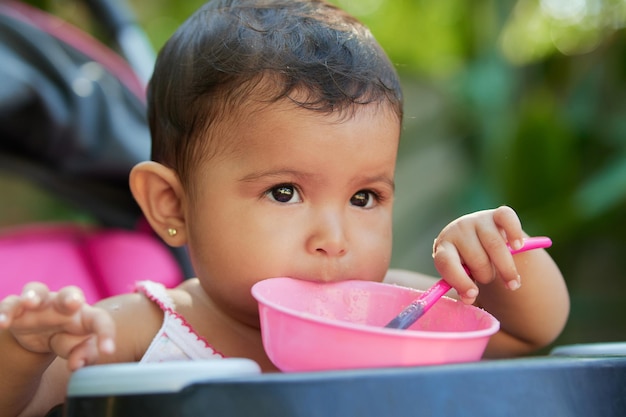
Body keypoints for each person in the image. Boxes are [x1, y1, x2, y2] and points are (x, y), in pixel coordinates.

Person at [0, 0, 570, 415]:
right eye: (285, 192)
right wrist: (25, 353)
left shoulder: (396, 317)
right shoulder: (139, 329)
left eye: (364, 197)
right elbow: (24, 404)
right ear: (172, 203)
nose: (334, 237)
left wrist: (496, 257)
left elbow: (531, 331)